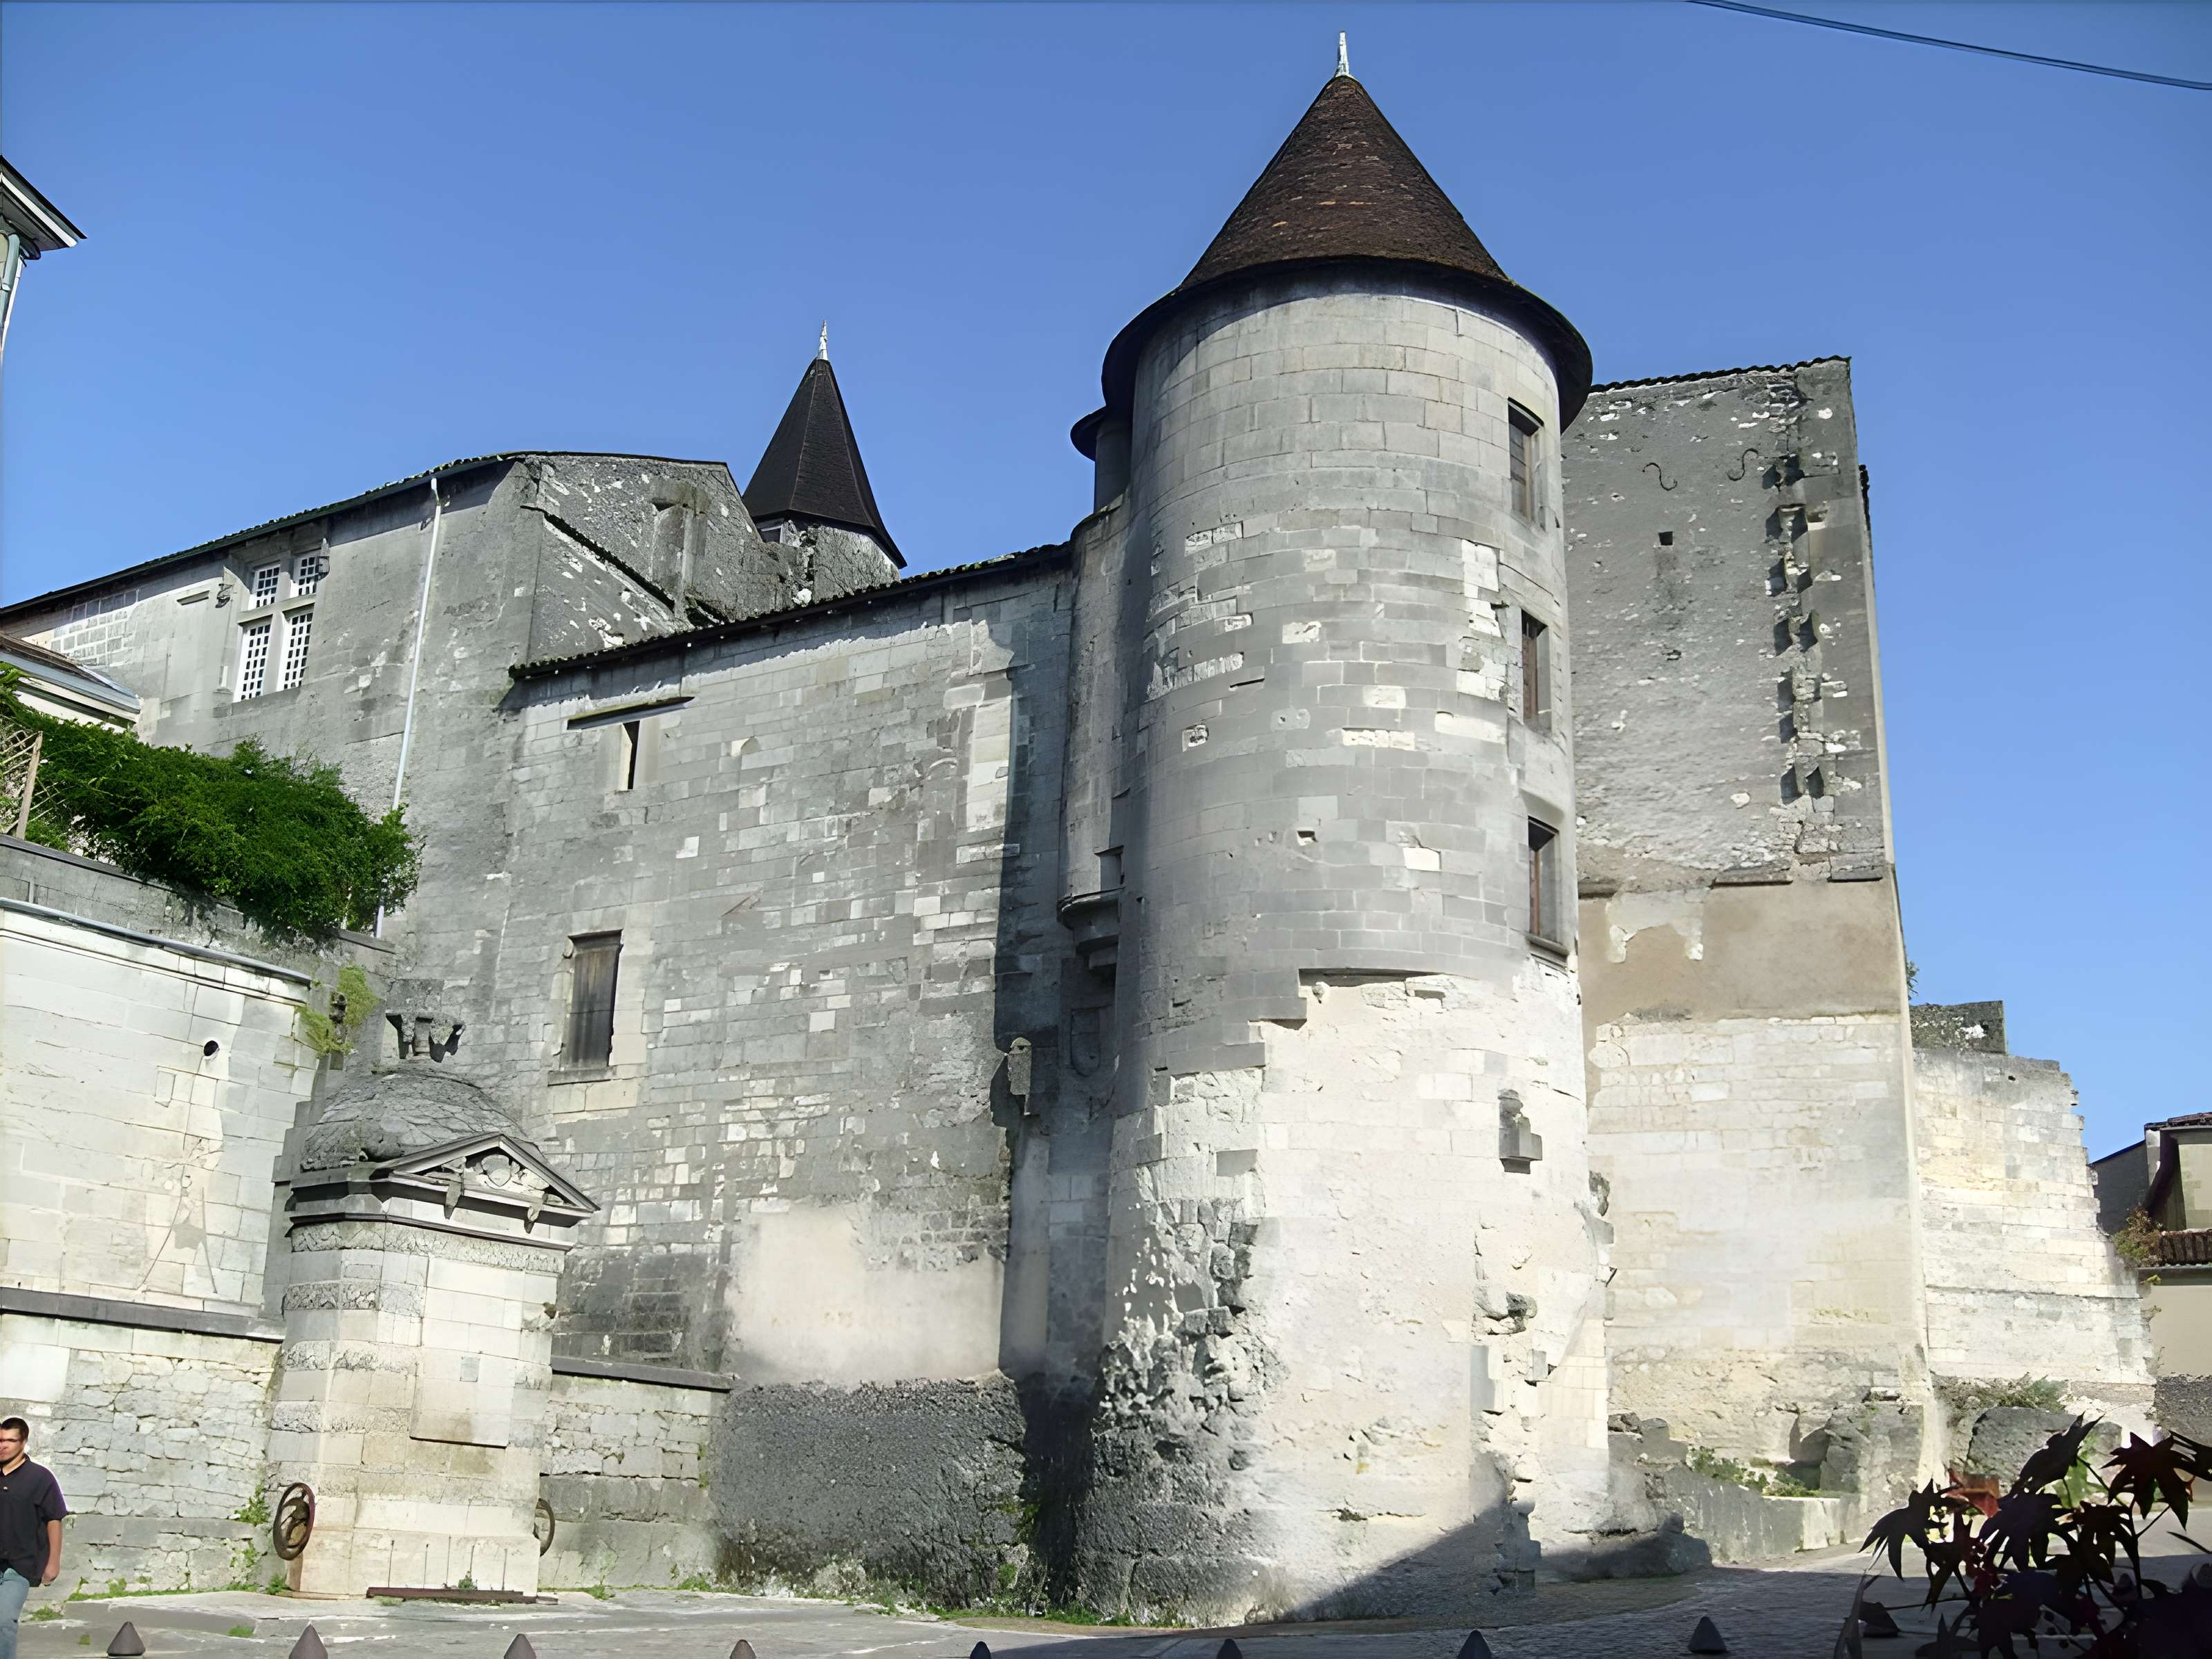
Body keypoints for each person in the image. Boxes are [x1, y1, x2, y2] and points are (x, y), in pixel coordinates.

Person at [0, 1417, 65, 1659]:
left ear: (23, 1442)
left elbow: (54, 1519)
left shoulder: (40, 1477)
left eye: (10, 1440)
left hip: (20, 1565)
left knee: (5, 1621)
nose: (3, 1445)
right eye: (0, 1440)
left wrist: (53, 1562)